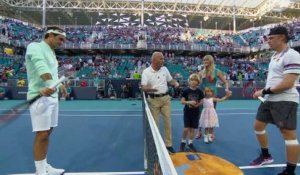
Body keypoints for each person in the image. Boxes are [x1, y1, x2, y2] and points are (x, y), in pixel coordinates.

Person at [250, 26, 300, 175]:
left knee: (288, 135)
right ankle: (266, 156)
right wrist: (265, 93)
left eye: (271, 38)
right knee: (258, 126)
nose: (268, 41)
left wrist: (263, 91)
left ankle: (289, 172)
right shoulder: (275, 56)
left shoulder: (292, 55)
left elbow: (288, 83)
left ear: (282, 37)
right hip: (269, 99)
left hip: (285, 100)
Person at [25, 26, 68, 175]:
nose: (62, 42)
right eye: (60, 39)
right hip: (39, 97)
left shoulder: (52, 52)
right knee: (42, 134)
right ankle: (40, 171)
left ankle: (44, 167)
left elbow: (53, 73)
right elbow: (41, 67)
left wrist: (60, 85)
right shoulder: (34, 46)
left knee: (48, 132)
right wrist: (50, 84)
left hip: (52, 97)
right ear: (49, 35)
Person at [141, 51, 180, 154]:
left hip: (166, 99)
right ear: (153, 60)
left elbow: (170, 80)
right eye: (161, 59)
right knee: (155, 125)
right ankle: (156, 146)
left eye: (163, 58)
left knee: (168, 122)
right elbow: (144, 87)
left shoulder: (165, 69)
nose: (163, 60)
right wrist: (153, 89)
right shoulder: (146, 72)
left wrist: (175, 83)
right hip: (154, 100)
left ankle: (168, 145)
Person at [196, 54, 231, 140]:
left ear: (211, 61)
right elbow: (197, 83)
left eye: (207, 60)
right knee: (200, 113)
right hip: (202, 94)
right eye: (204, 60)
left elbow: (225, 82)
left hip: (212, 94)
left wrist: (226, 89)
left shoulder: (217, 71)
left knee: (212, 113)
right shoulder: (201, 72)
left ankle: (211, 132)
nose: (205, 62)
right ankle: (199, 131)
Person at [180, 73, 204, 152]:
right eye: (192, 80)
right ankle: (183, 142)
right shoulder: (186, 91)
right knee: (186, 128)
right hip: (187, 112)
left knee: (192, 129)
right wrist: (189, 102)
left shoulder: (200, 92)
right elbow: (182, 102)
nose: (193, 82)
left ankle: (190, 143)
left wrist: (198, 105)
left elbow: (202, 101)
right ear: (189, 81)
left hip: (195, 113)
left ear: (198, 82)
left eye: (195, 80)